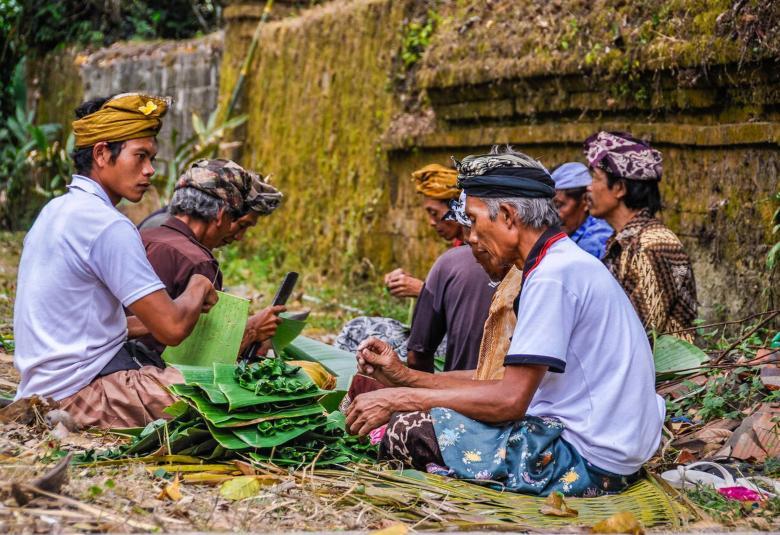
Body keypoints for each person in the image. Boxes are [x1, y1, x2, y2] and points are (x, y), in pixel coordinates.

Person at [344, 146, 664, 497]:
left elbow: (508, 402)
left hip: (586, 462)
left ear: (509, 216)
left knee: (407, 428)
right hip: (604, 452)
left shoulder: (553, 276)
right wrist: (404, 378)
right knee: (404, 415)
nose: (471, 238)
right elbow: (499, 380)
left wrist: (397, 400)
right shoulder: (557, 264)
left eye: (475, 221)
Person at [13, 94, 218, 428]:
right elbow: (173, 328)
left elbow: (91, 327)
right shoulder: (107, 224)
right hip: (81, 394)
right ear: (101, 153)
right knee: (221, 395)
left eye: (151, 158)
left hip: (40, 390)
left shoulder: (55, 210)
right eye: (140, 156)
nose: (150, 169)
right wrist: (196, 287)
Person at [335, 164, 493, 372]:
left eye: (435, 213)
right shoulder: (459, 252)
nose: (430, 222)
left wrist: (422, 290)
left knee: (361, 333)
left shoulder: (473, 255)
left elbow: (419, 355)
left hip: (460, 357)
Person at [139, 159, 285, 357]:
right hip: (150, 375)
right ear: (220, 214)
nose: (237, 236)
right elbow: (205, 361)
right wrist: (252, 331)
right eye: (235, 221)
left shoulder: (138, 236)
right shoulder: (200, 263)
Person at [583, 131, 697, 340]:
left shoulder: (654, 246)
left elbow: (636, 334)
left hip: (661, 371)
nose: (589, 187)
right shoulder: (623, 242)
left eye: (596, 178)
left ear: (619, 188)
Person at [551, 162, 612, 259]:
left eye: (559, 205)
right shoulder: (574, 235)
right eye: (550, 207)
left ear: (586, 201)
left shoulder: (593, 244)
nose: (552, 215)